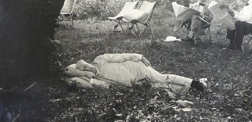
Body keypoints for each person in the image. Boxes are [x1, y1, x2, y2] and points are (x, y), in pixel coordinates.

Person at [64, 53, 207, 93]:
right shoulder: (98, 78)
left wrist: (139, 57)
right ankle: (194, 85)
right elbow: (108, 87)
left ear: (87, 63)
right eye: (85, 70)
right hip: (135, 81)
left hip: (138, 68)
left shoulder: (100, 59)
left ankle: (194, 83)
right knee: (160, 86)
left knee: (161, 77)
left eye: (86, 66)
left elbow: (122, 56)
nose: (89, 69)